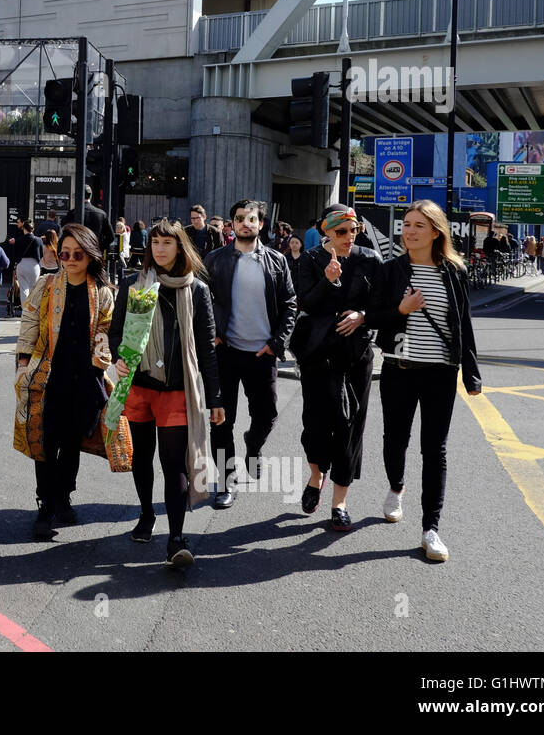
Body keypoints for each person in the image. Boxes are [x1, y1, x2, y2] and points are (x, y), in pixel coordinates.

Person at [366, 200, 481, 562]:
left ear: (436, 231)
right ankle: (396, 488)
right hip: (399, 368)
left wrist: (471, 372)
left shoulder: (454, 271)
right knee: (394, 439)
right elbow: (374, 317)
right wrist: (400, 310)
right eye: (406, 224)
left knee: (435, 450)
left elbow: (463, 324)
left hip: (440, 372)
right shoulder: (391, 271)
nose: (409, 230)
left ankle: (431, 529)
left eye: (418, 225)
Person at [110, 219, 224, 566]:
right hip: (140, 387)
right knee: (141, 457)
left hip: (177, 389)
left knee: (174, 464)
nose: (159, 249)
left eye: (167, 243)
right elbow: (116, 332)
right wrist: (118, 359)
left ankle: (176, 538)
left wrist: (215, 397)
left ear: (180, 248)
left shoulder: (197, 291)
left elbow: (206, 348)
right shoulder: (134, 285)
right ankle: (147, 513)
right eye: (155, 242)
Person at [15, 224, 114, 540]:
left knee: (72, 443)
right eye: (64, 253)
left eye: (77, 254)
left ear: (90, 256)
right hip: (49, 379)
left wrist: (104, 359)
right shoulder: (45, 285)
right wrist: (22, 364)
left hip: (85, 381)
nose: (70, 259)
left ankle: (64, 496)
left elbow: (105, 332)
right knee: (45, 443)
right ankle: (45, 505)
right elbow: (29, 323)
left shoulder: (102, 292)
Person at [292, 205, 383, 530]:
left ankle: (339, 502)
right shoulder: (310, 260)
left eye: (354, 230)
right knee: (315, 425)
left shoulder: (370, 260)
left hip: (355, 355)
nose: (349, 237)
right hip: (318, 355)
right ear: (326, 231)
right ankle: (317, 476)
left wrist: (363, 317)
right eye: (341, 231)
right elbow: (307, 303)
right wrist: (328, 281)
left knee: (350, 427)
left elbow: (381, 306)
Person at [203, 198, 297, 508]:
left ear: (260, 224)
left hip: (263, 354)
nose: (246, 223)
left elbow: (290, 305)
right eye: (240, 218)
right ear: (231, 225)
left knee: (266, 415)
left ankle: (253, 447)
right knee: (220, 420)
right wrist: (212, 334)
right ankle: (225, 482)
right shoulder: (214, 259)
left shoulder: (276, 261)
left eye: (252, 218)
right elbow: (200, 301)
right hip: (225, 353)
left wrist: (277, 342)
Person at [63, 185, 115, 254]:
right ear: (90, 196)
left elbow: (65, 233)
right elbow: (111, 237)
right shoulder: (101, 214)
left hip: (77, 252)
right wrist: (99, 248)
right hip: (94, 252)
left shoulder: (72, 213)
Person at [14, 219, 44, 302]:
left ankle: (25, 310)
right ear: (33, 229)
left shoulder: (19, 240)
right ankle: (32, 311)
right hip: (34, 265)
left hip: (22, 264)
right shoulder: (38, 240)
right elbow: (41, 254)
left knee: (23, 289)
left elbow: (15, 253)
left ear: (24, 228)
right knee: (33, 289)